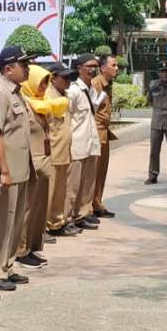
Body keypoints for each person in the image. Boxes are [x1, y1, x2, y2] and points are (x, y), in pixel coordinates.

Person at [0, 46, 33, 291]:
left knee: (15, 219)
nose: (28, 68)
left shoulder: (15, 92)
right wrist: (3, 169)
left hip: (20, 167)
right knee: (2, 218)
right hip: (8, 168)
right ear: (9, 68)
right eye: (24, 65)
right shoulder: (0, 93)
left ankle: (8, 264)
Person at [17, 64, 62, 267]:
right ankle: (21, 249)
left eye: (46, 81)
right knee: (26, 210)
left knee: (39, 211)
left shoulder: (42, 104)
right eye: (41, 81)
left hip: (44, 163)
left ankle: (33, 246)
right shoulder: (25, 104)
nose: (44, 85)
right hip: (31, 164)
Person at [66, 54, 102, 230]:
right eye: (89, 66)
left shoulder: (92, 89)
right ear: (79, 67)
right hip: (77, 144)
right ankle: (68, 218)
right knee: (73, 185)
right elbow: (66, 116)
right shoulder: (73, 90)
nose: (93, 69)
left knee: (88, 184)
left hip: (91, 142)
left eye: (95, 66)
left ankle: (83, 214)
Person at [45, 65, 79, 238]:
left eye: (69, 78)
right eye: (64, 78)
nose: (68, 81)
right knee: (49, 192)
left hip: (64, 150)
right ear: (53, 77)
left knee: (60, 192)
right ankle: (42, 227)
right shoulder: (47, 96)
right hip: (52, 151)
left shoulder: (65, 96)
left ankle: (56, 223)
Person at [92, 52, 119, 217]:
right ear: (102, 68)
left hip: (104, 132)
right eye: (113, 65)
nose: (117, 68)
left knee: (102, 171)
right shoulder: (96, 84)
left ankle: (97, 202)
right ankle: (89, 206)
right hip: (96, 132)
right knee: (93, 172)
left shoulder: (108, 84)